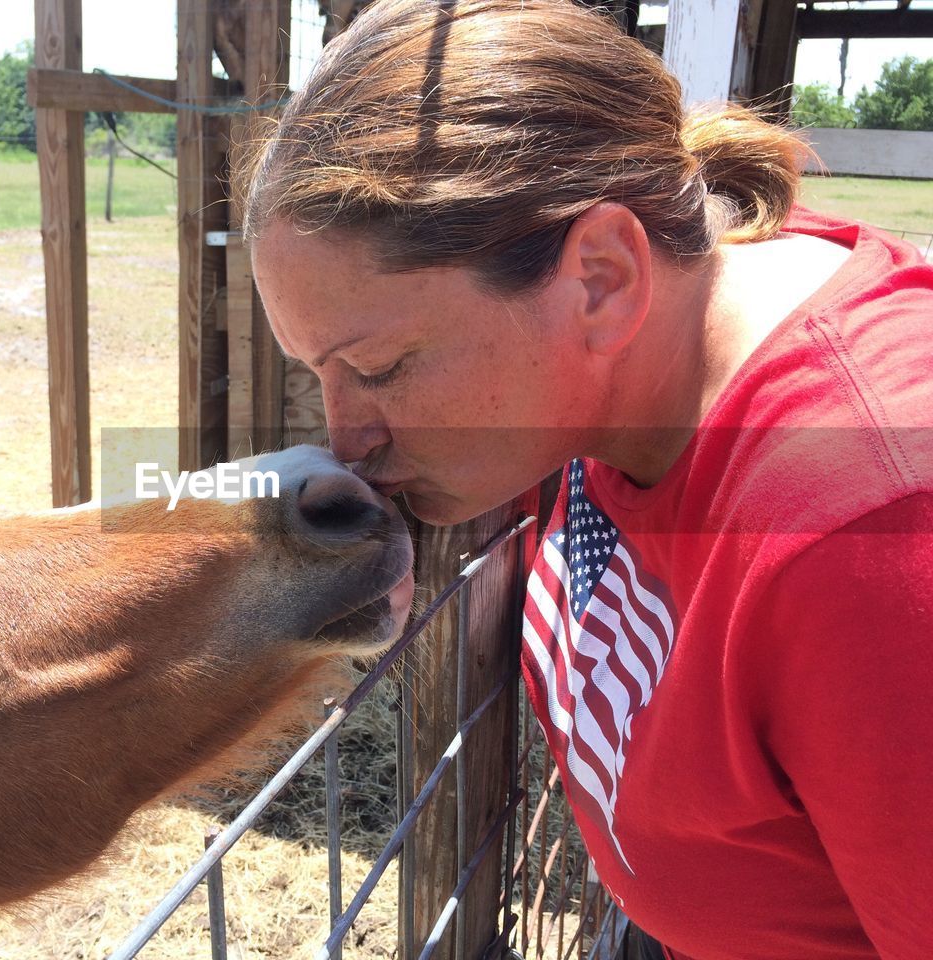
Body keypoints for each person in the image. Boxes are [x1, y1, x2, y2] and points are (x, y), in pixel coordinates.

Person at [238, 1, 933, 958]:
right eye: (321, 374)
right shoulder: (627, 371)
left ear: (602, 276)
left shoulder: (873, 540)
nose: (347, 438)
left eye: (384, 368)